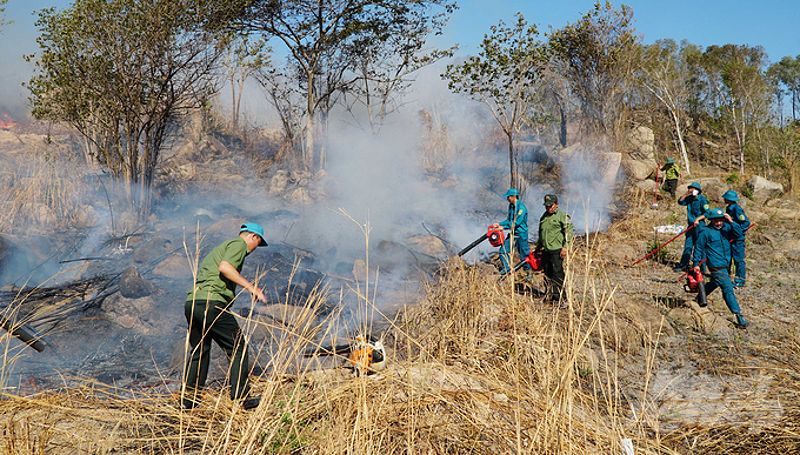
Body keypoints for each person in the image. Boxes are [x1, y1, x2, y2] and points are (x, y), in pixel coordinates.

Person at [182, 222, 268, 410]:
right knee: (238, 347)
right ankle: (241, 398)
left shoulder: (224, 246)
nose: (255, 249)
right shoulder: (238, 245)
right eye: (258, 243)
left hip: (194, 302)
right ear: (253, 237)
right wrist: (252, 288)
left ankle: (188, 402)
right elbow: (225, 267)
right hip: (211, 304)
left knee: (199, 351)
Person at [692, 208, 748, 328]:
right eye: (716, 221)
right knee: (728, 289)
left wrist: (731, 221)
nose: (718, 223)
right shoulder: (705, 232)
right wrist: (696, 264)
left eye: (721, 220)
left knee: (715, 282)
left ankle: (698, 298)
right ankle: (738, 315)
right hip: (716, 266)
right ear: (711, 220)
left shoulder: (727, 228)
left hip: (726, 264)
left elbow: (739, 234)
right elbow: (698, 248)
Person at [536, 194, 572, 306]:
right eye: (546, 206)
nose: (548, 208)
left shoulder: (562, 216)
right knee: (547, 273)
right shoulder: (544, 217)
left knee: (558, 274)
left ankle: (562, 299)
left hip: (557, 250)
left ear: (556, 204)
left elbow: (569, 232)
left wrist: (566, 247)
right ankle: (548, 295)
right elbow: (541, 234)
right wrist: (538, 247)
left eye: (550, 206)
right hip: (546, 250)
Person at [496, 188, 531, 278]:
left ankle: (529, 273)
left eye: (508, 197)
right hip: (513, 234)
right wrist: (499, 224)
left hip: (521, 234)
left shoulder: (521, 208)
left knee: (524, 255)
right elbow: (508, 220)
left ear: (513, 197)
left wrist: (503, 227)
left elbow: (516, 223)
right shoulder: (511, 206)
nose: (507, 199)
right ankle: (506, 268)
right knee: (503, 251)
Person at [675, 182, 709, 272]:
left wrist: (698, 219)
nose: (692, 190)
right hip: (691, 226)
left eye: (694, 189)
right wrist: (687, 194)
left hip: (700, 226)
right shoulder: (689, 199)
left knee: (700, 246)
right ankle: (683, 264)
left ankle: (701, 267)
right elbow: (680, 202)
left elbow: (707, 213)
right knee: (688, 245)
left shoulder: (702, 200)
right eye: (691, 188)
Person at [722, 189, 750, 287]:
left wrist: (737, 232)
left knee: (738, 260)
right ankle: (726, 276)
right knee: (728, 257)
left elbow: (746, 223)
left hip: (737, 239)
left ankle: (740, 280)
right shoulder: (729, 208)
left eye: (725, 198)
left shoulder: (736, 209)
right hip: (730, 236)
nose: (724, 199)